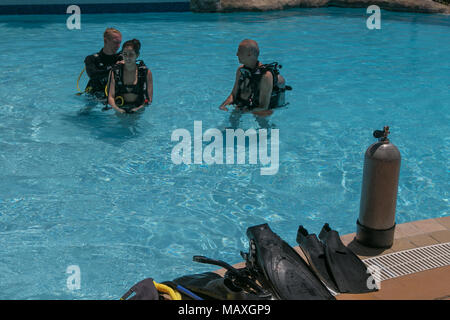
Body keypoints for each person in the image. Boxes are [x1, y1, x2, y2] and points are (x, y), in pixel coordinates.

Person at [219, 39, 290, 127]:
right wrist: (224, 105)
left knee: (260, 119)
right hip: (250, 102)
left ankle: (268, 133)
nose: (237, 54)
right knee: (234, 116)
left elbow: (263, 106)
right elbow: (233, 94)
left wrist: (244, 110)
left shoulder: (265, 76)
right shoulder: (240, 71)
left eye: (239, 51)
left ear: (249, 54)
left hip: (264, 107)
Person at [106, 39, 153, 114]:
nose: (127, 58)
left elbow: (149, 99)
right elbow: (111, 97)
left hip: (138, 107)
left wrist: (137, 109)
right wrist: (118, 109)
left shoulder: (145, 72)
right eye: (125, 54)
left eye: (131, 54)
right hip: (119, 107)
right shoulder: (115, 71)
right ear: (122, 55)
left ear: (137, 55)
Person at [84, 28, 124, 99]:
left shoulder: (121, 58)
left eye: (119, 43)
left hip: (114, 94)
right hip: (94, 94)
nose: (118, 46)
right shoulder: (92, 59)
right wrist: (114, 68)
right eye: (115, 42)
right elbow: (93, 75)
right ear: (105, 40)